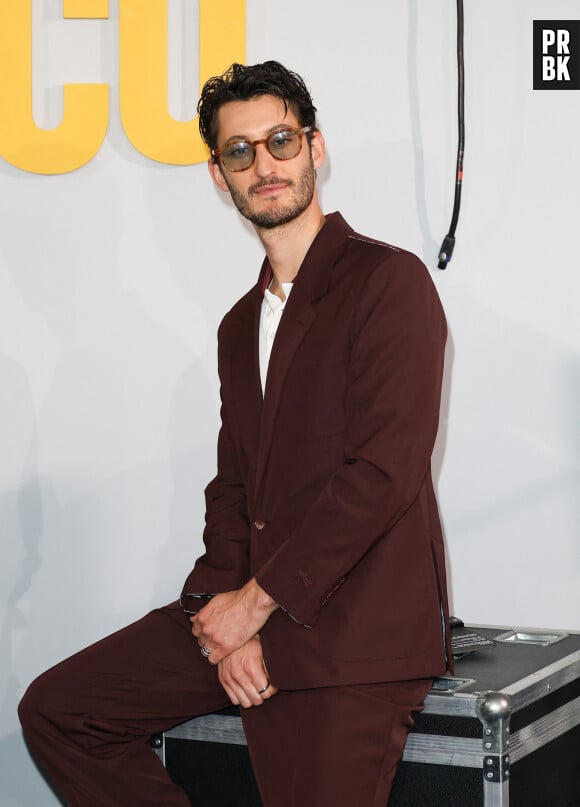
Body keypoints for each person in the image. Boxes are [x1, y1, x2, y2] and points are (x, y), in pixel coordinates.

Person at [18, 61, 453, 806]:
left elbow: (382, 473)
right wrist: (225, 615)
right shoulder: (237, 326)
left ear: (315, 148)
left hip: (353, 639)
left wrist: (253, 605)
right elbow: (235, 487)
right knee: (60, 710)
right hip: (257, 607)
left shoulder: (390, 281)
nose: (266, 164)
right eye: (240, 151)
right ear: (220, 175)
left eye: (280, 140)